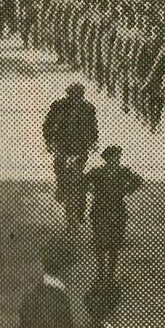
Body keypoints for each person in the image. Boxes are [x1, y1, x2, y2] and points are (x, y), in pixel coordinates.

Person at [43, 84, 100, 227]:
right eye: (73, 96)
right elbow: (48, 125)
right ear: (68, 95)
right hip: (62, 145)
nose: (75, 99)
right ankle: (61, 186)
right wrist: (49, 142)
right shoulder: (59, 106)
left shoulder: (88, 108)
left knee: (80, 178)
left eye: (78, 96)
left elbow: (93, 128)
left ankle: (80, 210)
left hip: (80, 147)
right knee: (59, 168)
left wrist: (93, 142)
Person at [85, 147, 144, 281]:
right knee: (99, 243)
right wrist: (91, 189)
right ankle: (101, 273)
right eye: (112, 158)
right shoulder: (97, 172)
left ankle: (111, 275)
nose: (115, 160)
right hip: (100, 211)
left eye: (117, 157)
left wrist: (126, 190)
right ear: (106, 159)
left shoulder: (123, 172)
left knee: (114, 244)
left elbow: (138, 180)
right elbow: (83, 181)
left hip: (118, 212)